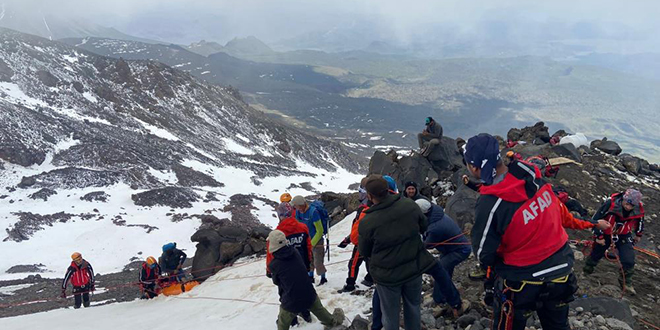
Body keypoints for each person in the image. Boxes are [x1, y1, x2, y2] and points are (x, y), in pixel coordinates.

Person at [465, 133, 578, 330]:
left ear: (474, 167)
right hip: (561, 269)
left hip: (522, 282)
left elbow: (484, 253)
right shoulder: (532, 178)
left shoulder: (491, 203)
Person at [358, 175, 437, 330]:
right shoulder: (410, 205)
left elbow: (364, 251)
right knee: (413, 308)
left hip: (388, 277)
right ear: (388, 190)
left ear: (369, 196)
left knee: (390, 315)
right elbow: (424, 226)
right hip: (414, 268)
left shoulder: (367, 221)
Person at [268, 230, 344, 330]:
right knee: (320, 311)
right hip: (309, 294)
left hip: (291, 301)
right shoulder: (295, 252)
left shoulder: (274, 264)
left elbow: (276, 281)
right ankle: (332, 322)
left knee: (283, 322)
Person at [584, 188, 644, 295]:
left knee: (629, 259)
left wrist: (638, 234)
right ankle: (586, 272)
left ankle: (626, 283)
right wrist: (599, 236)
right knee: (596, 253)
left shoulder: (638, 209)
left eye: (631, 205)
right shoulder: (609, 204)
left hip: (623, 235)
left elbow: (640, 221)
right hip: (605, 233)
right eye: (627, 203)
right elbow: (595, 219)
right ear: (624, 199)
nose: (628, 207)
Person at [417, 199, 471, 278]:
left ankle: (444, 290)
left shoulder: (435, 227)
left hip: (459, 251)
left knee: (439, 271)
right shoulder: (436, 214)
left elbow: (428, 245)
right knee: (445, 274)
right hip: (449, 250)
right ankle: (448, 289)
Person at [337, 178, 373, 293]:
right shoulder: (370, 207)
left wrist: (351, 239)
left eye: (361, 192)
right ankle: (370, 279)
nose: (359, 195)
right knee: (369, 262)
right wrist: (347, 239)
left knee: (353, 264)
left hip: (361, 242)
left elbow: (359, 228)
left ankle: (350, 285)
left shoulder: (365, 209)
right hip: (368, 241)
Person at [267, 202, 313, 277]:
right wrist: (308, 263)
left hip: (284, 271)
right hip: (302, 266)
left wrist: (269, 270)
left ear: (280, 215)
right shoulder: (303, 227)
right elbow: (308, 247)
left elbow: (271, 254)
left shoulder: (276, 234)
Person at [292, 195, 328, 285]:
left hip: (316, 240)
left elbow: (320, 231)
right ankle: (310, 277)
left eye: (296, 206)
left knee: (317, 261)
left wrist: (311, 243)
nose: (296, 208)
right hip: (306, 240)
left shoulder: (313, 212)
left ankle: (323, 278)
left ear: (301, 205)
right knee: (308, 260)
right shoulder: (298, 212)